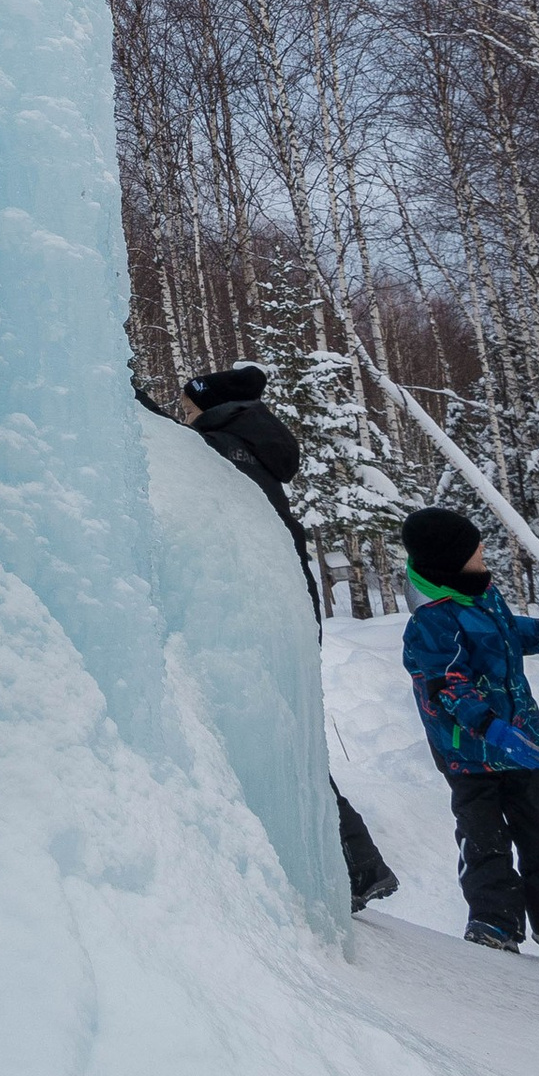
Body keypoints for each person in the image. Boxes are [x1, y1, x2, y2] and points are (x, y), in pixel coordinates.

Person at [178, 361, 400, 912]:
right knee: (280, 732)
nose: (181, 418)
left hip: (252, 610)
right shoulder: (249, 448)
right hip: (283, 607)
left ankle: (348, 865)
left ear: (209, 407)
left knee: (266, 734)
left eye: (186, 407)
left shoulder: (222, 450)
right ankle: (356, 864)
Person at [397, 505, 539, 962]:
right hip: (469, 752)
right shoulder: (431, 621)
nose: (482, 548)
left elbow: (505, 632)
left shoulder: (482, 594)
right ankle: (494, 921)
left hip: (522, 741)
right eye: (473, 546)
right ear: (449, 560)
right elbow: (447, 682)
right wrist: (487, 726)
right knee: (484, 840)